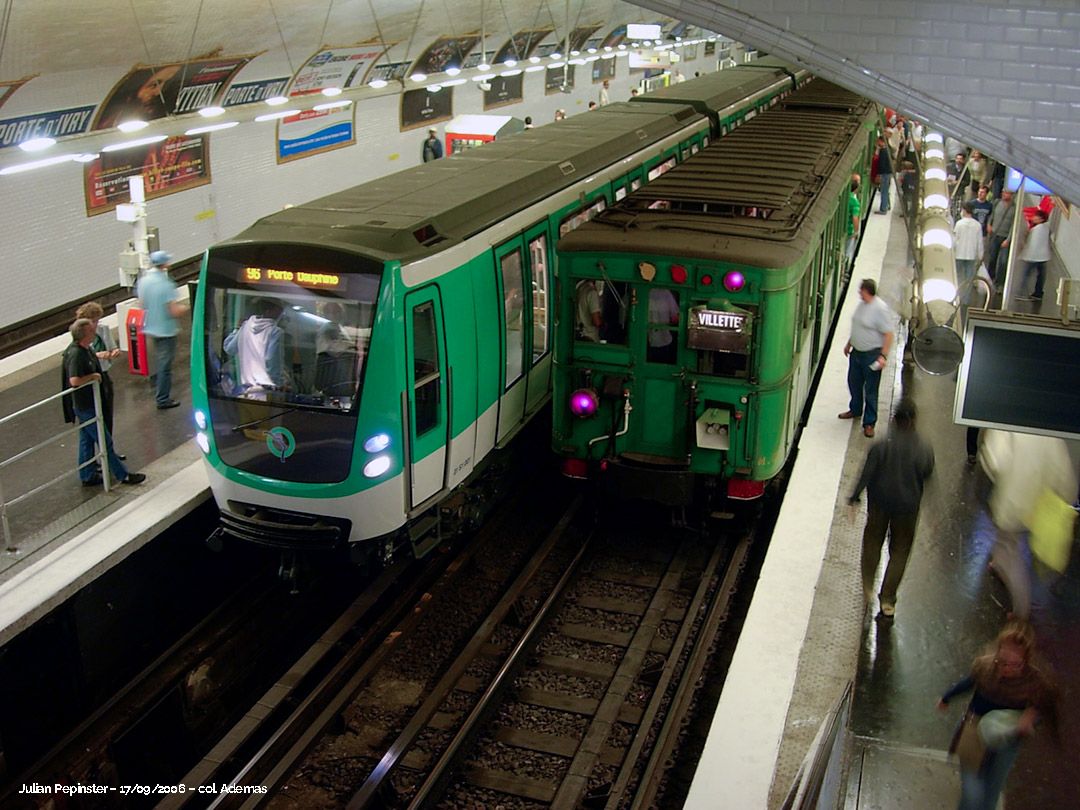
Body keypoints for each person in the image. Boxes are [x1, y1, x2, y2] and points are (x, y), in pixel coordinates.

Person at [937, 621, 1057, 810]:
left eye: (1014, 665)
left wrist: (1030, 716)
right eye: (1001, 662)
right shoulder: (985, 668)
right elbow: (968, 683)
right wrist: (946, 698)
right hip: (974, 731)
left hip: (1008, 738)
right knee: (972, 794)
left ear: (1026, 661)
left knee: (991, 792)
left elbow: (1043, 705)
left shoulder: (1034, 682)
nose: (1006, 669)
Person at [848, 398, 934, 618]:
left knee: (872, 544)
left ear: (894, 420)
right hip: (907, 507)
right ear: (913, 420)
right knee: (900, 552)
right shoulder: (923, 448)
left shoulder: (881, 446)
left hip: (879, 503)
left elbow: (867, 473)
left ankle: (867, 587)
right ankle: (887, 600)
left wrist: (855, 497)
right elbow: (926, 472)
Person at [983, 430, 1077, 619]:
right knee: (1007, 545)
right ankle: (999, 563)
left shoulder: (1004, 427)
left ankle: (1021, 612)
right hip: (1039, 505)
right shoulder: (1048, 431)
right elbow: (1064, 476)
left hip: (1013, 504)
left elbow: (994, 462)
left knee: (1011, 550)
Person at [62, 319, 146, 487]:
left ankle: (87, 475)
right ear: (84, 335)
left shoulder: (85, 349)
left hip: (89, 403)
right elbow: (74, 380)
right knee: (104, 440)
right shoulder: (76, 354)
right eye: (92, 331)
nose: (94, 333)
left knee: (86, 440)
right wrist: (93, 377)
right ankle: (123, 475)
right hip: (85, 405)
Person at [839, 279, 894, 438]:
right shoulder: (862, 305)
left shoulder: (879, 309)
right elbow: (857, 325)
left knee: (870, 389)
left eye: (860, 290)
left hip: (871, 355)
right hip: (857, 353)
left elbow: (889, 334)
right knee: (853, 382)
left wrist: (883, 355)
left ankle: (869, 422)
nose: (859, 293)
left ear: (866, 291)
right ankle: (855, 409)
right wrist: (849, 343)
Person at [136, 250, 186, 409]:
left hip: (150, 328)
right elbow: (173, 311)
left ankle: (157, 386)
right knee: (165, 366)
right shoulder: (166, 284)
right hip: (166, 330)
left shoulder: (144, 281)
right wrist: (186, 308)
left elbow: (141, 304)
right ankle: (162, 399)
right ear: (165, 264)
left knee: (159, 361)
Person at [74, 302, 124, 458]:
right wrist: (97, 355)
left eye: (97, 320)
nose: (96, 325)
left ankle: (109, 452)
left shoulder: (103, 330)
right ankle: (99, 456)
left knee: (107, 415)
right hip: (92, 377)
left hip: (104, 374)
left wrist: (113, 352)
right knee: (91, 424)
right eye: (93, 321)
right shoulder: (80, 335)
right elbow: (81, 353)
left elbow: (112, 347)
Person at [223, 298, 286, 395]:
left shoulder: (246, 326)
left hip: (246, 390)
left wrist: (236, 329)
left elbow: (229, 349)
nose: (281, 312)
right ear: (270, 310)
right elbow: (272, 361)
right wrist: (279, 385)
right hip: (266, 391)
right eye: (279, 309)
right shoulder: (275, 332)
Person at [1018, 208, 1051, 300]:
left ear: (1041, 219)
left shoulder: (1036, 230)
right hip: (1044, 256)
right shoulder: (1046, 228)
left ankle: (1021, 293)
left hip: (1033, 256)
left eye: (1035, 216)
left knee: (1026, 274)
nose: (1033, 217)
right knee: (1041, 276)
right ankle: (1038, 293)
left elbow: (1031, 243)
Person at [954, 202, 983, 301]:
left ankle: (955, 297)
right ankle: (965, 299)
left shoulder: (959, 224)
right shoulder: (977, 225)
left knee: (957, 277)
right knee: (969, 279)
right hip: (971, 255)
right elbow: (980, 242)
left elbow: (955, 239)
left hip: (958, 254)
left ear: (964, 210)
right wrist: (980, 256)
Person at [986, 189, 1015, 284]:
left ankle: (999, 282)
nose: (1003, 194)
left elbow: (1013, 226)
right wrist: (989, 224)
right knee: (992, 258)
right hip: (995, 234)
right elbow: (992, 215)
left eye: (1006, 193)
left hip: (1005, 237)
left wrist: (1008, 239)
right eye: (1003, 192)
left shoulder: (1014, 209)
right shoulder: (997, 203)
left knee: (1003, 261)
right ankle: (989, 277)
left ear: (1011, 195)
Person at [647, 289, 680, 363]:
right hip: (663, 340)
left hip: (643, 340)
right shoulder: (666, 293)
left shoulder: (640, 291)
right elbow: (675, 318)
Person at [845, 176, 861, 266]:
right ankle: (845, 269)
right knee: (847, 252)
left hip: (841, 229)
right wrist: (856, 231)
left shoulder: (845, 197)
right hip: (849, 229)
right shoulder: (855, 203)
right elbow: (855, 218)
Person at [874, 136, 892, 214]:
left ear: (881, 141)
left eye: (878, 141)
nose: (877, 143)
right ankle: (887, 205)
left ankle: (883, 209)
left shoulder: (883, 151)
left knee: (884, 191)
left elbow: (881, 164)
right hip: (888, 173)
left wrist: (879, 174)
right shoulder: (887, 149)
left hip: (884, 173)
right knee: (886, 190)